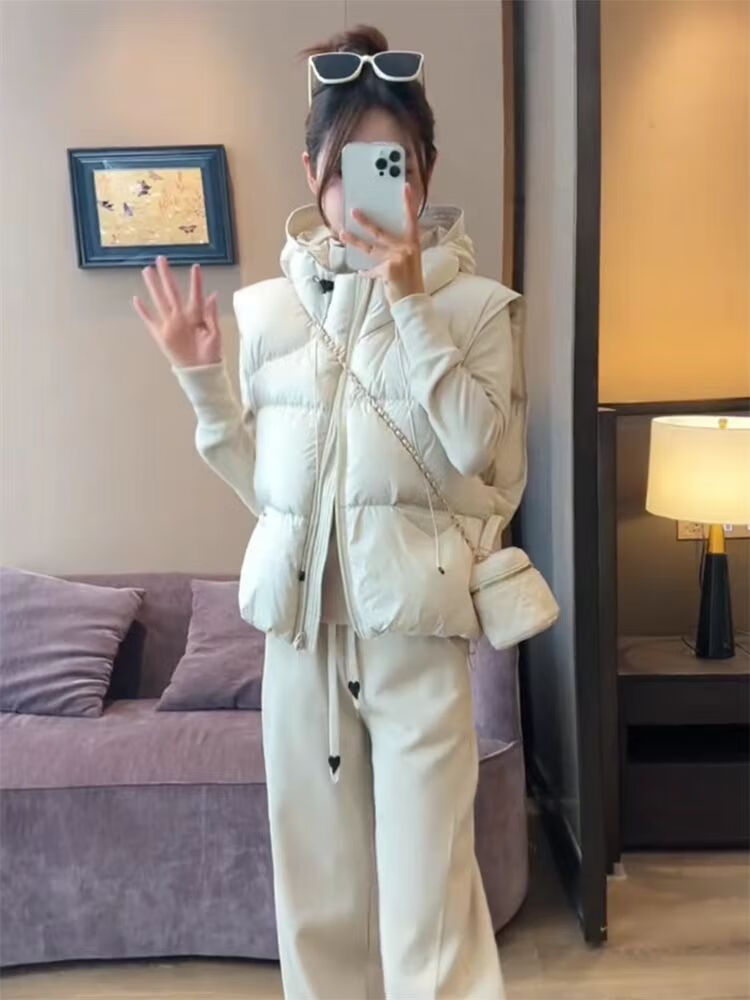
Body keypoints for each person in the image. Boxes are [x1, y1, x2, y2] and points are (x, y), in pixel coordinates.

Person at [133, 22, 526, 1000]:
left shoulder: (480, 309)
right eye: (348, 167)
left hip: (417, 645)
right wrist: (202, 382)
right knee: (317, 908)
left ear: (424, 174)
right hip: (300, 647)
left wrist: (411, 303)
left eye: (393, 165)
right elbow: (270, 496)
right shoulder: (267, 314)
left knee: (431, 912)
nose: (368, 192)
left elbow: (484, 455)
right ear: (312, 171)